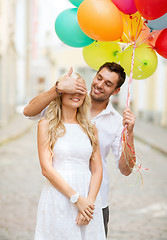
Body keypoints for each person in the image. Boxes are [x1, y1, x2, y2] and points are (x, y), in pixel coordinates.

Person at [24, 62, 136, 237]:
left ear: (116, 91)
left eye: (108, 83)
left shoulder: (112, 123)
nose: (99, 84)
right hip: (60, 196)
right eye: (99, 78)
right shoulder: (55, 114)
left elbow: (126, 169)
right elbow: (28, 111)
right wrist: (58, 88)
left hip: (95, 201)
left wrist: (129, 133)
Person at [34, 73, 106, 240]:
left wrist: (89, 203)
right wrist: (76, 199)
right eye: (72, 89)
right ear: (61, 93)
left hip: (88, 198)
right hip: (59, 196)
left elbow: (97, 169)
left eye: (81, 90)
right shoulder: (46, 124)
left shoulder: (90, 128)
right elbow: (46, 169)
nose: (77, 94)